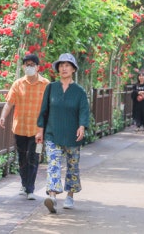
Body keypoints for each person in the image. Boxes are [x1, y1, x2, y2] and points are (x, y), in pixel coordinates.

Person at [36, 52, 90, 214]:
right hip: (53, 133)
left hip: (72, 135)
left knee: (72, 166)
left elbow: (84, 110)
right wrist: (40, 131)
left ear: (73, 69)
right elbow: (44, 110)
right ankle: (52, 197)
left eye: (67, 65)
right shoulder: (51, 88)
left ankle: (70, 196)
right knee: (53, 164)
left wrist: (82, 126)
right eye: (61, 65)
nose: (63, 68)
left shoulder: (79, 91)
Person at [0, 53, 49, 200]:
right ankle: (24, 184)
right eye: (27, 65)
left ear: (38, 67)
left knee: (33, 156)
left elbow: (50, 105)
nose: (29, 67)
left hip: (37, 129)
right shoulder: (18, 84)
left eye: (32, 65)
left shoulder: (45, 84)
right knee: (22, 157)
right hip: (20, 127)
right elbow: (9, 103)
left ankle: (30, 189)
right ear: (23, 67)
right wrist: (3, 116)